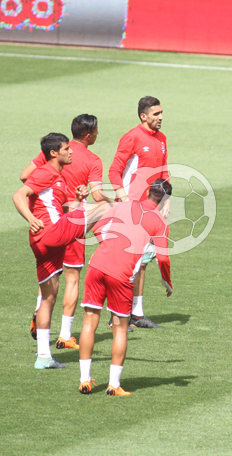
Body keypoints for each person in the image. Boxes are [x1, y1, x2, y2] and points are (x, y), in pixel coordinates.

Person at [11, 133, 112, 369]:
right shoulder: (45, 172)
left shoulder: (58, 178)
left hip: (42, 242)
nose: (71, 151)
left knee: (48, 299)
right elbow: (18, 195)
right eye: (67, 148)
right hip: (51, 234)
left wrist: (77, 198)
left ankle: (43, 357)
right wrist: (30, 218)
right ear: (54, 153)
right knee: (105, 206)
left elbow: (61, 211)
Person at [78, 180, 173, 396]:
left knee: (89, 323)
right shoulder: (160, 223)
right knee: (120, 329)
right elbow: (164, 258)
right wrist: (167, 281)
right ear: (165, 201)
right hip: (121, 274)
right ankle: (113, 385)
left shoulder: (124, 205)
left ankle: (84, 380)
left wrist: (109, 247)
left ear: (147, 192)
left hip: (97, 265)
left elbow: (98, 228)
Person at [108, 96, 171, 329]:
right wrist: (124, 200)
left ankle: (136, 313)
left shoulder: (162, 138)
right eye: (156, 114)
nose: (161, 117)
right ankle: (117, 315)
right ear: (143, 116)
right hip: (131, 210)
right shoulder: (131, 137)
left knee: (142, 262)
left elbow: (164, 171)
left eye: (161, 113)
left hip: (151, 209)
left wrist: (166, 200)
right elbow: (114, 171)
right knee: (126, 263)